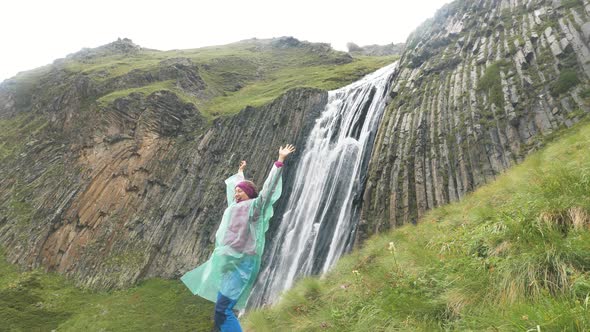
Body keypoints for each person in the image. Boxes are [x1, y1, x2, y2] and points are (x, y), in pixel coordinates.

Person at [181, 144, 296, 332]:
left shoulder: (255, 208)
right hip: (229, 262)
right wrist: (240, 173)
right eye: (236, 191)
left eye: (240, 191)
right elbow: (233, 190)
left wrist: (280, 161)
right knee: (221, 312)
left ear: (249, 194)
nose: (236, 193)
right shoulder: (234, 207)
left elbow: (267, 191)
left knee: (222, 310)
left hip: (242, 263)